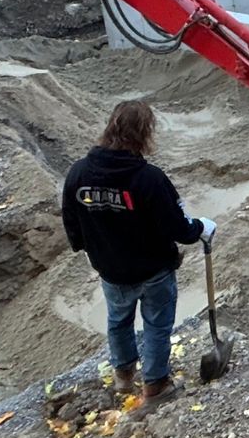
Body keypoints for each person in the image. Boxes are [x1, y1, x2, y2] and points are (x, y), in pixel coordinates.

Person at [61, 99, 215, 404]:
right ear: (144, 134)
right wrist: (201, 228)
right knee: (157, 325)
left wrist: (86, 248)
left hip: (111, 270)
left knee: (118, 321)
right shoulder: (149, 179)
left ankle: (124, 376)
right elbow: (178, 227)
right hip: (153, 269)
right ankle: (155, 386)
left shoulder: (78, 174)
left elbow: (71, 219)